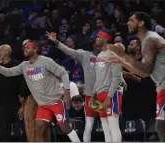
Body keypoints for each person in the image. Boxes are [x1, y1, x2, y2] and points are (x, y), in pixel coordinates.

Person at [0, 41, 81, 142]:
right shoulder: (24, 65)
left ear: (35, 49)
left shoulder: (46, 61)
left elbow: (63, 73)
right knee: (39, 129)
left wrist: (67, 92)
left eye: (28, 47)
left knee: (64, 127)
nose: (25, 49)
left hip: (55, 101)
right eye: (24, 47)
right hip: (42, 105)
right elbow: (9, 72)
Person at [106, 11, 165, 142]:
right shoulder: (146, 41)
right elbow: (143, 71)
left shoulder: (150, 40)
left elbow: (144, 72)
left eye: (131, 20)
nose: (127, 22)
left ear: (141, 23)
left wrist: (122, 58)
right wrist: (122, 61)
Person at [46, 31, 102, 142]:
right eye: (96, 42)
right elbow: (69, 51)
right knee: (89, 125)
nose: (98, 44)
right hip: (92, 96)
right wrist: (56, 42)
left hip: (105, 94)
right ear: (92, 44)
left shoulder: (108, 56)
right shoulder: (85, 55)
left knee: (107, 124)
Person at [91, 33, 124, 141]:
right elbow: (98, 77)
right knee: (105, 126)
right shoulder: (99, 55)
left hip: (111, 94)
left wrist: (109, 97)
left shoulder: (113, 54)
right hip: (100, 93)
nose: (96, 39)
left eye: (98, 37)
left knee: (113, 125)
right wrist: (93, 94)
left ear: (105, 40)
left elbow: (116, 77)